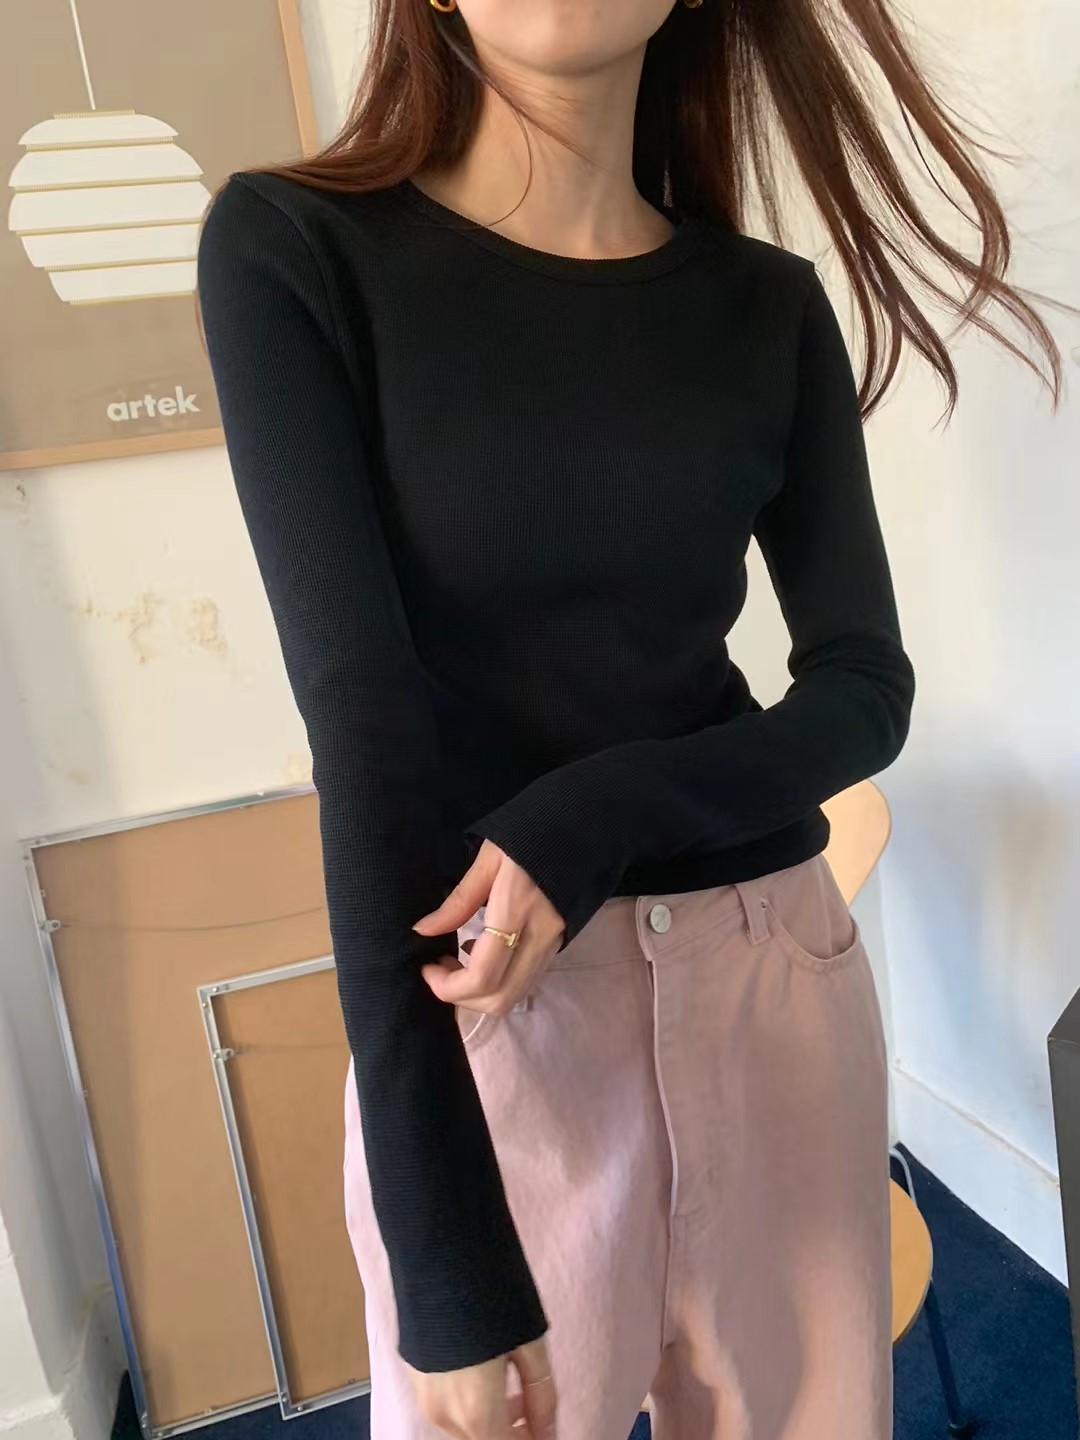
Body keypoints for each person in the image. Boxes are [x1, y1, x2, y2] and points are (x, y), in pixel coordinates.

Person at [196, 1, 1061, 1436]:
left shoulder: (767, 307)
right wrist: (445, 1262)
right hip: (495, 1020)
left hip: (771, 990)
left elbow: (864, 687)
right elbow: (365, 744)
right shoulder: (298, 251)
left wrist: (593, 815)